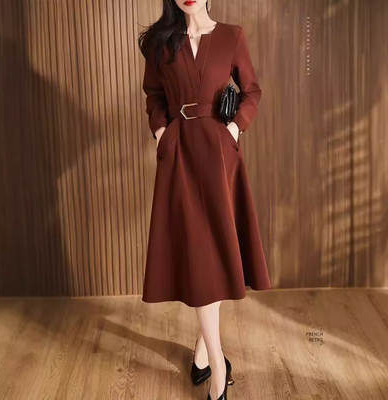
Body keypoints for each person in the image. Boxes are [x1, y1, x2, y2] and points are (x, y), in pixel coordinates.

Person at [138, 0, 271, 398]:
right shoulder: (161, 42)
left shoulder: (231, 36)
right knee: (200, 255)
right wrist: (162, 133)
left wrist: (235, 128)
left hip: (219, 157)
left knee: (215, 251)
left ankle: (202, 356)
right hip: (180, 156)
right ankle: (217, 366)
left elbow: (251, 91)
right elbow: (153, 95)